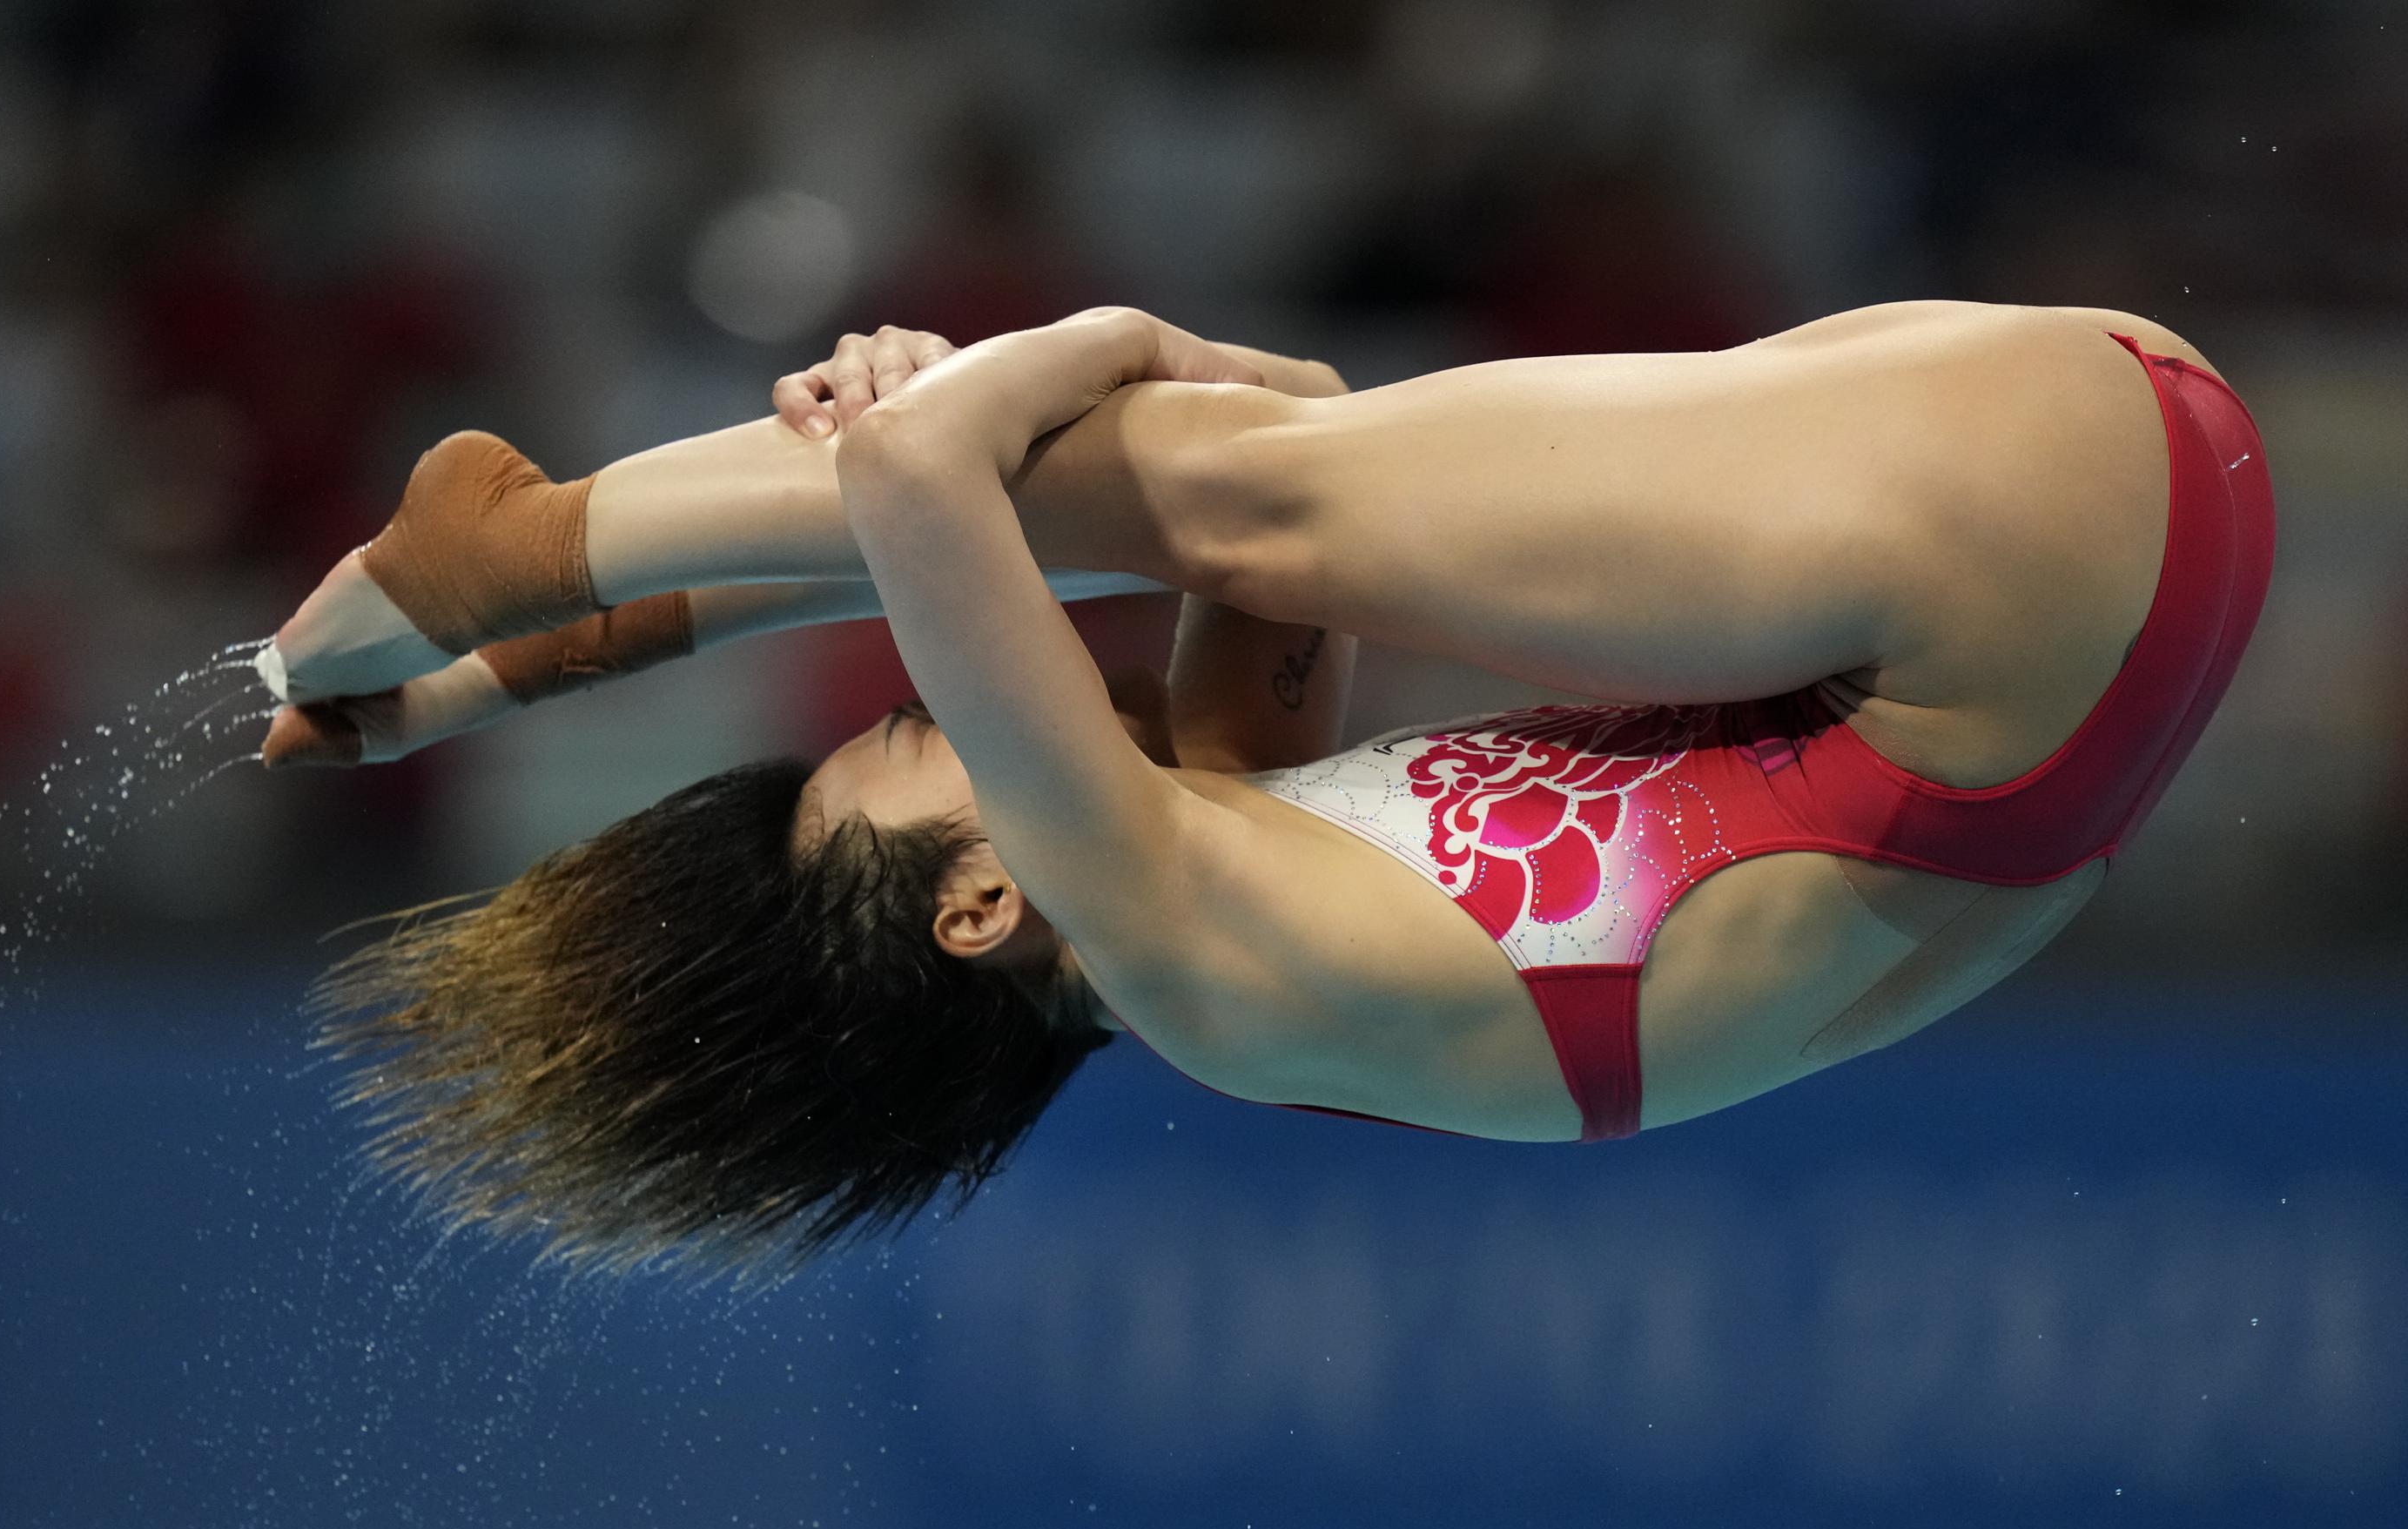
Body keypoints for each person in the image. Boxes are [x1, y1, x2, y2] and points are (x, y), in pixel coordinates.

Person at [267, 301, 2272, 1275]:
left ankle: (552, 603)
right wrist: (1031, 363)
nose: (946, 693)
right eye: (911, 738)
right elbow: (939, 482)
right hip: (2034, 571)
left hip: (2090, 581)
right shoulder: (1184, 933)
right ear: (978, 906)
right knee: (1186, 480)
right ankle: (528, 563)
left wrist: (978, 408)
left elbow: (1277, 415)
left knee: (1219, 482)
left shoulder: (1239, 880)